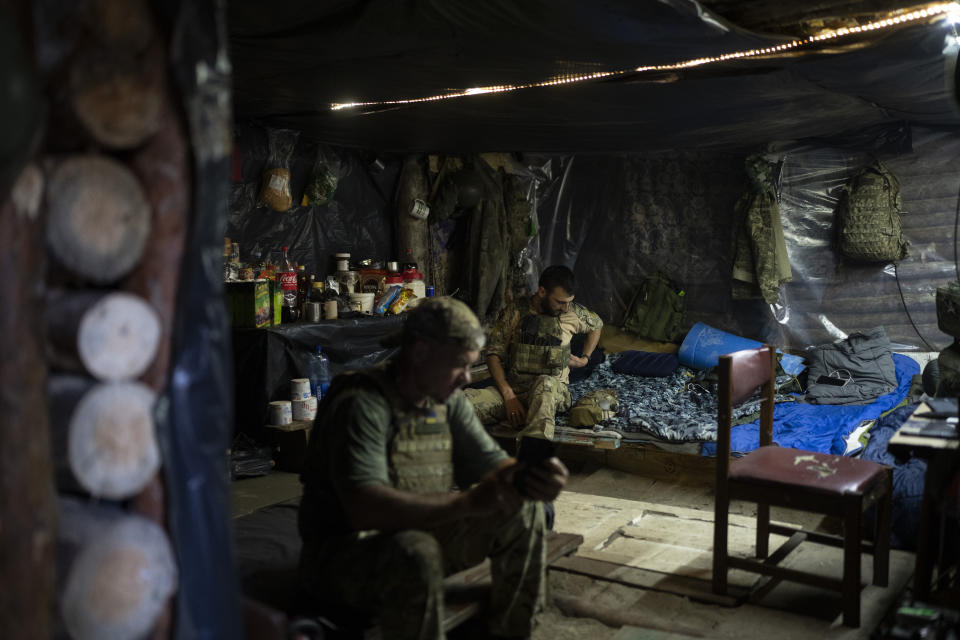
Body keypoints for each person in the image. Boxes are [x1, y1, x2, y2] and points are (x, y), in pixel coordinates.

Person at [297, 296, 569, 640]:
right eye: (460, 365)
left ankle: (510, 632)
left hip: (417, 532)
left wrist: (533, 479)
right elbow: (365, 509)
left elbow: (496, 467)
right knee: (416, 553)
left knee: (526, 511)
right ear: (421, 352)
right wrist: (468, 504)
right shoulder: (361, 404)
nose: (466, 378)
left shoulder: (445, 400)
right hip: (343, 558)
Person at [464, 265, 603, 440]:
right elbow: (493, 355)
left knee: (545, 383)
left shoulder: (574, 313)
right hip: (515, 391)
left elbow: (596, 325)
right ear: (542, 292)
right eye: (560, 302)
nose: (565, 308)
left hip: (552, 393)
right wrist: (509, 396)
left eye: (569, 302)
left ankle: (533, 458)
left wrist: (585, 359)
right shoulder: (515, 311)